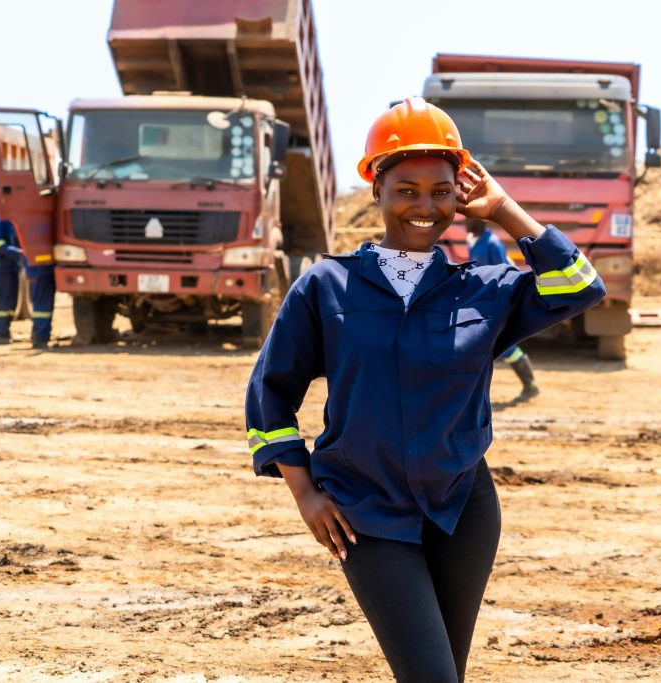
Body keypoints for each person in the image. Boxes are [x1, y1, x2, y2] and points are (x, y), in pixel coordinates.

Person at [244, 97, 605, 682]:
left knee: (443, 675)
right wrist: (303, 491)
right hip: (365, 511)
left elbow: (581, 287)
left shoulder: (485, 290)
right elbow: (270, 393)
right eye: (406, 189)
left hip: (463, 509)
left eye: (441, 190)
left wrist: (506, 209)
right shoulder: (327, 287)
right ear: (376, 190)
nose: (424, 205)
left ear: (461, 194)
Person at [466, 217, 540, 401]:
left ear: (481, 222)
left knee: (504, 347)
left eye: (469, 220)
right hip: (481, 301)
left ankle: (530, 385)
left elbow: (505, 273)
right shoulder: (473, 241)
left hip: (493, 302)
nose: (465, 223)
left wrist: (503, 304)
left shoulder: (492, 243)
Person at [0, 217, 23, 345]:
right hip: (1, 268)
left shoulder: (13, 221)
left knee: (10, 303)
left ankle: (5, 331)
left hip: (12, 266)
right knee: (3, 302)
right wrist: (20, 253)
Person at [26, 263, 56, 350]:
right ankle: (40, 338)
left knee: (43, 307)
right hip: (40, 271)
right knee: (42, 308)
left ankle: (39, 336)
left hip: (43, 270)